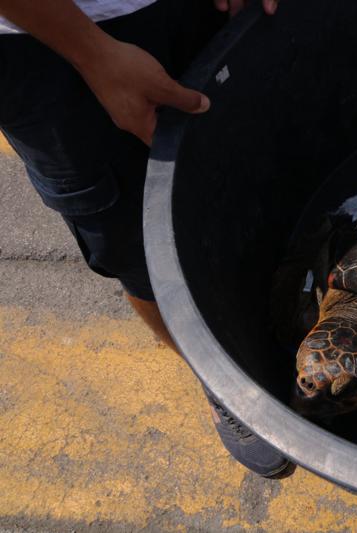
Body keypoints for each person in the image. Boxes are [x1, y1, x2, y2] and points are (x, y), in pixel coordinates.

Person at [0, 0, 293, 479]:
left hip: (184, 11)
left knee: (254, 163)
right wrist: (92, 53)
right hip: (38, 45)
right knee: (137, 244)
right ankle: (218, 371)